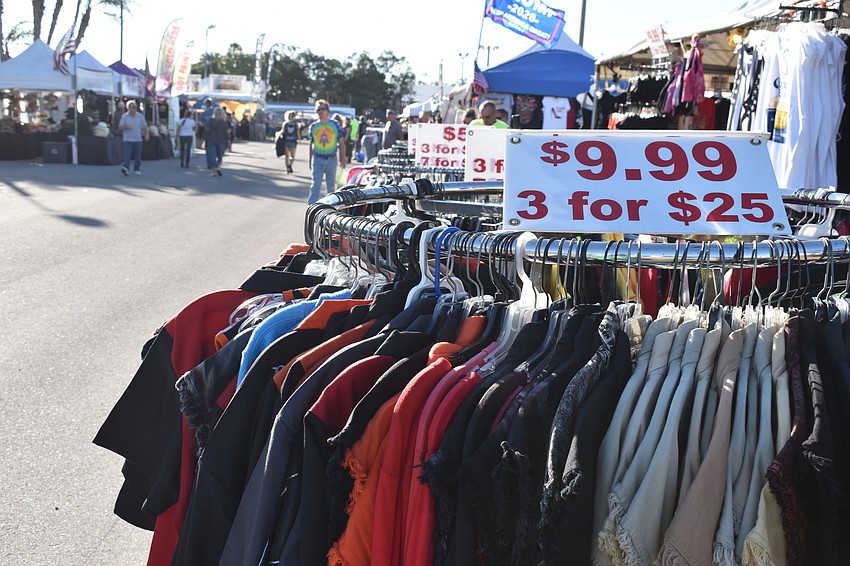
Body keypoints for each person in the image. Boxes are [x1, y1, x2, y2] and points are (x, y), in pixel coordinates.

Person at [307, 99, 346, 204]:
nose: (321, 111)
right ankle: (311, 208)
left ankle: (330, 209)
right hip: (318, 159)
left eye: (323, 109)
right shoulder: (313, 126)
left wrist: (343, 159)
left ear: (328, 111)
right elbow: (311, 144)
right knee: (315, 185)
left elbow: (341, 143)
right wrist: (310, 159)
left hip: (331, 159)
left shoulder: (336, 125)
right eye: (318, 109)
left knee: (330, 187)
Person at [118, 100, 148, 176]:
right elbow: (120, 126)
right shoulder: (125, 116)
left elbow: (144, 126)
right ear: (129, 108)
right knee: (127, 155)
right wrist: (126, 127)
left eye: (135, 107)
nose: (135, 109)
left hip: (138, 139)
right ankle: (126, 168)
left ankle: (137, 169)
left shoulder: (140, 116)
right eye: (133, 107)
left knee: (137, 155)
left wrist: (147, 134)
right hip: (127, 139)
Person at [203, 107, 229, 177]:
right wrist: (227, 142)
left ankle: (214, 171)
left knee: (212, 156)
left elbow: (206, 130)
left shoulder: (210, 120)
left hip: (212, 140)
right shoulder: (224, 122)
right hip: (222, 140)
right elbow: (226, 133)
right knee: (220, 156)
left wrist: (205, 138)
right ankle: (218, 167)